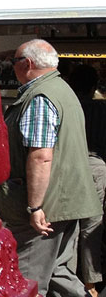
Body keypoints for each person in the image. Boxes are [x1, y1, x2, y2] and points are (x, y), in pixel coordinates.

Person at [0, 39, 102, 296]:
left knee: (27, 278)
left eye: (14, 61)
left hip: (46, 206)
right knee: (58, 272)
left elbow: (41, 155)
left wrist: (35, 206)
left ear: (27, 64)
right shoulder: (61, 90)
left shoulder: (40, 96)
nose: (12, 67)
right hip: (66, 200)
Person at [69, 64, 106, 296]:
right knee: (92, 225)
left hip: (70, 166)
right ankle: (91, 281)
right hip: (96, 167)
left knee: (70, 225)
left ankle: (70, 276)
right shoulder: (101, 110)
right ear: (94, 86)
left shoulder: (67, 107)